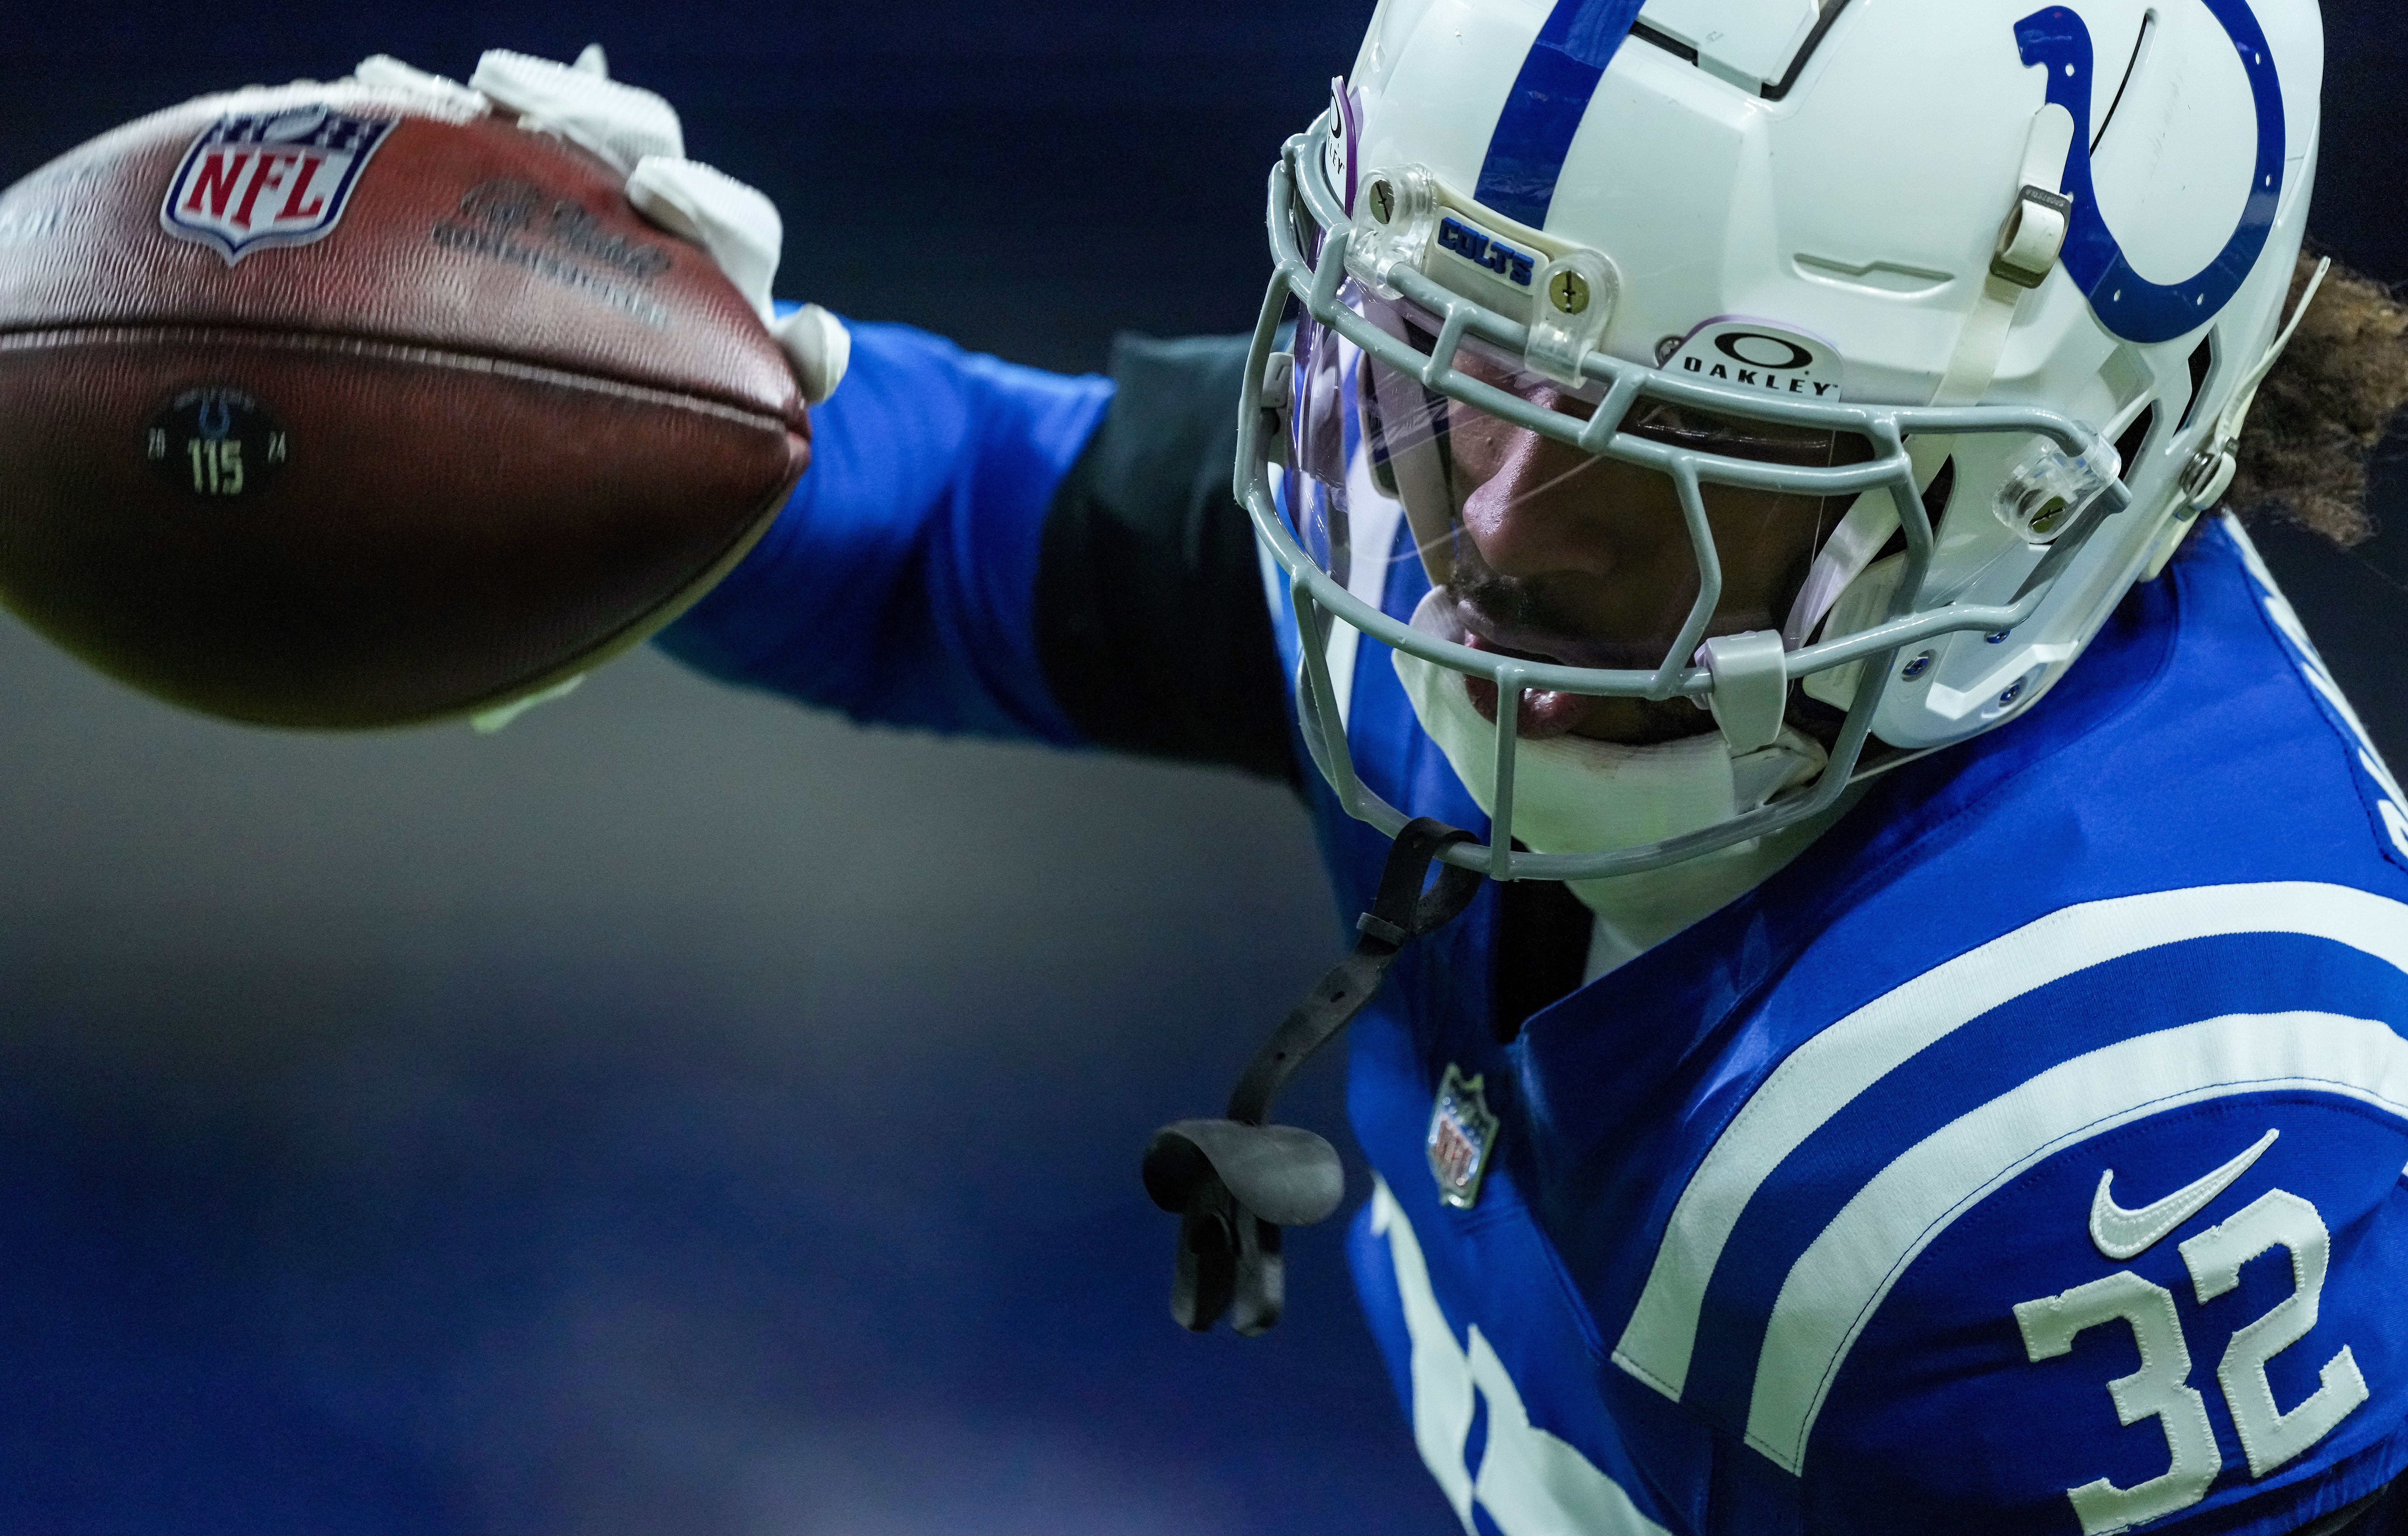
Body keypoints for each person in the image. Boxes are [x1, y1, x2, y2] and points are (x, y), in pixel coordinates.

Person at [162, 3, 2408, 1532]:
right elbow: (962, 538)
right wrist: (626, 407)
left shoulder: (2119, 1118)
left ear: (2052, 495)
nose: (1483, 551)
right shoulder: (1542, 594)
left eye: (1672, 476)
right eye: (1440, 365)